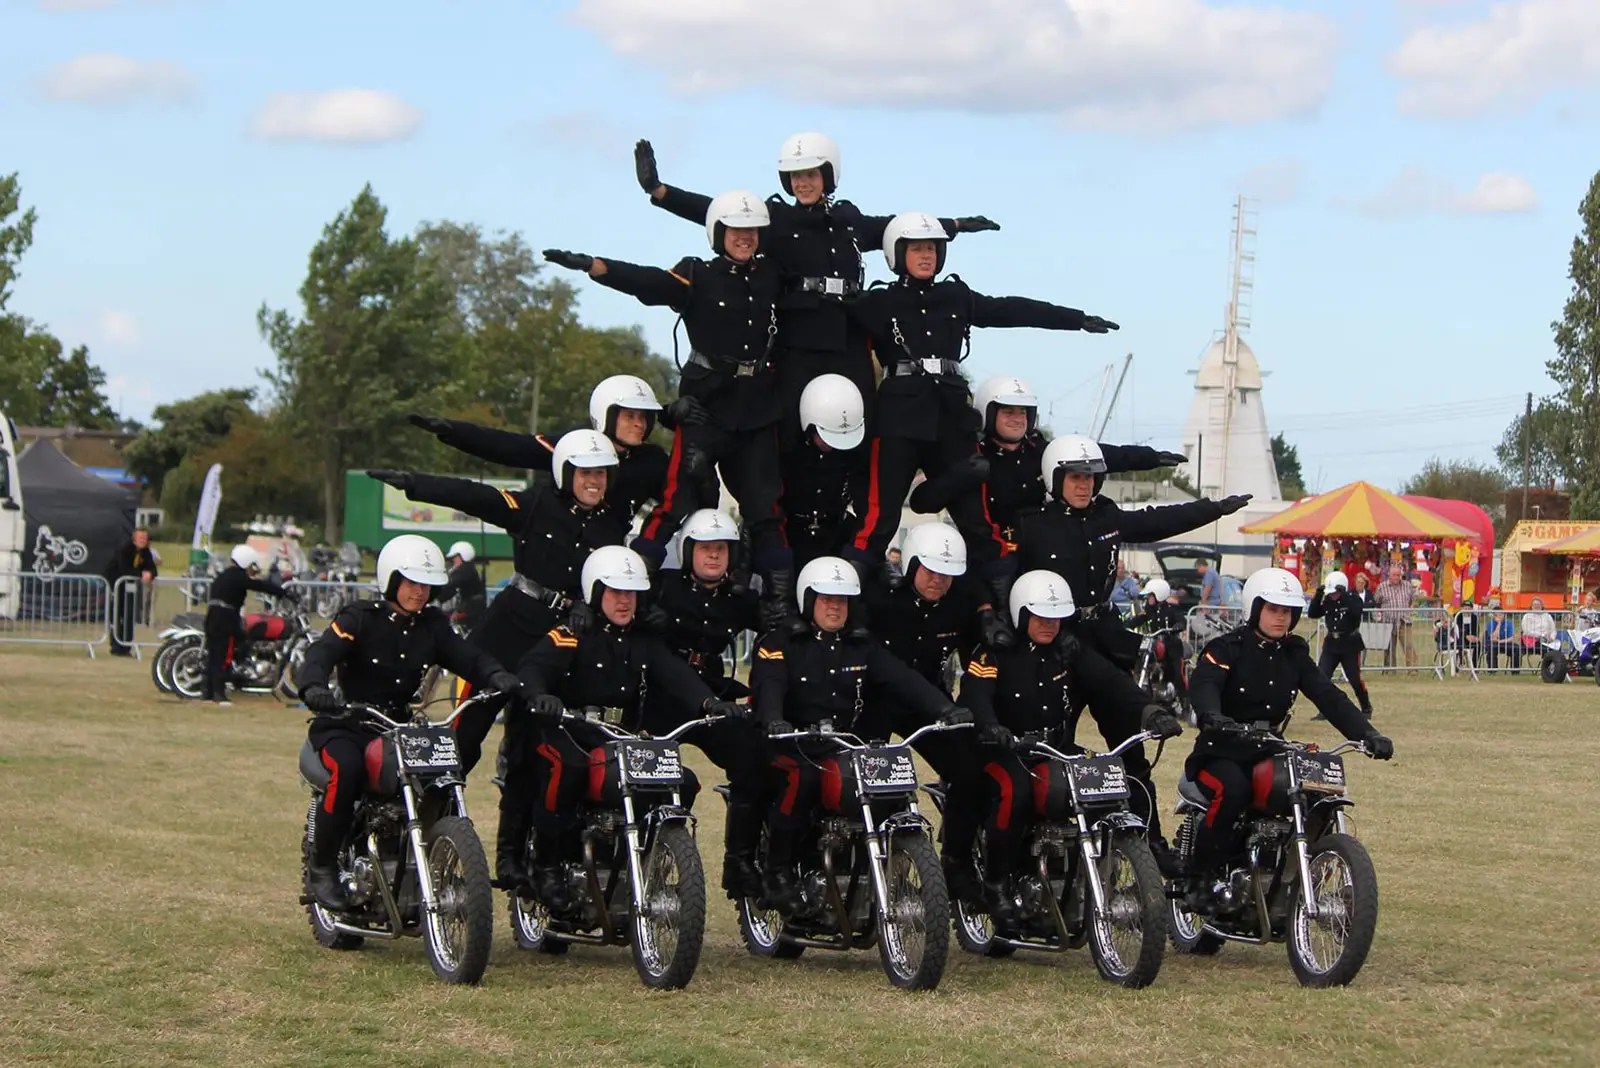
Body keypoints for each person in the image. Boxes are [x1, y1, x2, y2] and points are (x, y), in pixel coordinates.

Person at [366, 429, 629, 890]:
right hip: (507, 629)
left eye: (602, 474)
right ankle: (411, 847)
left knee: (533, 752)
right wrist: (412, 482)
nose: (595, 481)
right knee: (461, 742)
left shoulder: (615, 521)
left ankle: (510, 858)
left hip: (559, 643)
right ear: (566, 473)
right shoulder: (534, 506)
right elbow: (473, 496)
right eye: (586, 472)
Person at [542, 191, 795, 627]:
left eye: (751, 230)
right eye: (735, 230)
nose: (744, 238)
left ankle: (778, 607)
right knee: (674, 501)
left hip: (757, 410)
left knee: (766, 509)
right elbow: (648, 281)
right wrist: (595, 266)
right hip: (706, 407)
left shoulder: (774, 275)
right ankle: (632, 584)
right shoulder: (697, 274)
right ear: (719, 234)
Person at [634, 133, 1000, 433]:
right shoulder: (774, 219)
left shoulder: (849, 220)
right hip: (797, 342)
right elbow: (717, 211)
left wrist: (952, 224)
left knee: (859, 420)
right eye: (795, 177)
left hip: (848, 339)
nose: (802, 183)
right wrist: (660, 191)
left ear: (827, 175)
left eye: (810, 174)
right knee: (793, 426)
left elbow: (896, 227)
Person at [1009, 434, 1251, 849]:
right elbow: (1004, 584)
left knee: (1132, 753)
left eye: (1090, 477)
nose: (1084, 485)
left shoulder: (1108, 517)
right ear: (1055, 478)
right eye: (1075, 477)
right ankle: (1035, 846)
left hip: (1103, 637)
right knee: (1048, 749)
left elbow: (1158, 519)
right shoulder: (1031, 524)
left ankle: (1151, 842)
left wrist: (1213, 509)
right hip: (1050, 644)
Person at [841, 213, 1119, 571]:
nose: (926, 256)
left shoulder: (955, 296)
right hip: (898, 422)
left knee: (980, 524)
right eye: (916, 249)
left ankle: (1000, 608)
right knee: (878, 521)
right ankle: (847, 602)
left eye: (932, 249)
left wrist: (1075, 319)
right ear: (897, 254)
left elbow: (1009, 309)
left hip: (952, 419)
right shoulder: (878, 302)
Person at [295, 535, 520, 910]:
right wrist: (314, 687)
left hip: (396, 726)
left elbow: (467, 656)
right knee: (347, 770)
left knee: (445, 764)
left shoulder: (432, 625)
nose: (419, 592)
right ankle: (322, 869)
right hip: (348, 722)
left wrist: (498, 675)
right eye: (412, 582)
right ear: (392, 579)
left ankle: (428, 853)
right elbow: (320, 654)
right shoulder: (359, 618)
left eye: (426, 584)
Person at [516, 545, 739, 907]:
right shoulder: (571, 633)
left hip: (620, 736)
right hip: (570, 729)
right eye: (616, 592)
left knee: (680, 780)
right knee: (569, 768)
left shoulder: (644, 641)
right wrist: (541, 695)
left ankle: (644, 856)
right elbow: (531, 668)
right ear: (596, 592)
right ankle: (549, 866)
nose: (625, 601)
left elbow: (676, 674)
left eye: (631, 593)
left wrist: (709, 702)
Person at [748, 555, 971, 909]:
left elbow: (904, 679)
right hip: (792, 744)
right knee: (801, 780)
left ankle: (870, 868)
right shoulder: (779, 642)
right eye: (826, 600)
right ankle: (778, 872)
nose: (835, 608)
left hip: (843, 745)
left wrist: (945, 709)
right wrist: (775, 718)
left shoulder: (861, 646)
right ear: (809, 600)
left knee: (888, 787)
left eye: (842, 601)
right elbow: (770, 685)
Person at [962, 570, 1180, 922]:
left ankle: (1082, 872)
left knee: (1106, 783)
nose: (1049, 624)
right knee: (1015, 793)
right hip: (1004, 751)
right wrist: (990, 726)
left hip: (1056, 750)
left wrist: (1149, 710)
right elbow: (975, 694)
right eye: (1040, 616)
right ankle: (996, 882)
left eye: (1056, 616)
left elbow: (1110, 681)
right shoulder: (995, 651)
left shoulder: (1069, 651)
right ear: (1021, 613)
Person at [1182, 567, 1393, 915]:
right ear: (1255, 609)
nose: (1281, 618)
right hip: (1220, 750)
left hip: (1269, 747)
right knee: (1234, 790)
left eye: (1287, 611)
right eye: (1273, 609)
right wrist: (1213, 716)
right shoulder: (1226, 648)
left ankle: (1282, 875)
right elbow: (1204, 687)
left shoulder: (1294, 652)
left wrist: (1367, 734)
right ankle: (1200, 878)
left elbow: (1328, 696)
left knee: (1305, 791)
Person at [907, 374, 1184, 607]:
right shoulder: (970, 455)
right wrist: (963, 475)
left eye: (1023, 412)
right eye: (1008, 411)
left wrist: (1150, 458)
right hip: (983, 561)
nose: (1017, 419)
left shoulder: (1040, 451)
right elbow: (921, 501)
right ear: (989, 413)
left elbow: (1097, 456)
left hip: (1035, 558)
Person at [638, 509, 770, 897]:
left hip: (713, 693)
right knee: (651, 775)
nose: (714, 556)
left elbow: (780, 628)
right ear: (688, 550)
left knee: (755, 758)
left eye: (722, 550)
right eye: (706, 549)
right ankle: (642, 857)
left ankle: (740, 862)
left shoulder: (740, 598)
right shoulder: (659, 586)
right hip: (659, 695)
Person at [858, 523, 992, 900]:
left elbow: (977, 656)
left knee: (969, 770)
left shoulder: (961, 602)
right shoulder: (878, 598)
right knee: (868, 784)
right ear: (911, 564)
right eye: (930, 570)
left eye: (947, 574)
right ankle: (867, 865)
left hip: (932, 700)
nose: (939, 581)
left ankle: (956, 863)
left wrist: (977, 705)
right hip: (874, 701)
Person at [407, 374, 669, 520]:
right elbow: (511, 447)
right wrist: (454, 432)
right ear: (607, 414)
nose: (640, 424)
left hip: (605, 568)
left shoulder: (654, 461)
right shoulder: (573, 445)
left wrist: (680, 419)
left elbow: (679, 501)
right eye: (630, 416)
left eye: (645, 417)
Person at [781, 373, 869, 574]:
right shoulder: (787, 453)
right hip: (791, 537)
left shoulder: (851, 457)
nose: (832, 444)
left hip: (836, 537)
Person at [204, 544, 282, 706]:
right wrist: (283, 592)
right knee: (223, 654)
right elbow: (260, 585)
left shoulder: (225, 575)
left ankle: (208, 692)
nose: (253, 569)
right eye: (251, 564)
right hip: (225, 618)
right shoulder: (237, 576)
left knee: (214, 655)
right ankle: (219, 694)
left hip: (213, 615)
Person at [1307, 571, 1373, 717]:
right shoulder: (1328, 601)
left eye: (1336, 592)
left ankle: (1366, 706)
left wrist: (1345, 596)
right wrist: (1318, 595)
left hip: (1349, 644)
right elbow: (1313, 613)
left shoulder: (1353, 599)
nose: (1333, 595)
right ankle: (1325, 709)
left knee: (1354, 679)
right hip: (1332, 644)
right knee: (1322, 677)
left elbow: (1357, 613)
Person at [1131, 576, 1189, 708]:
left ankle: (1184, 701)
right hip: (1155, 644)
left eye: (1151, 596)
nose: (1148, 599)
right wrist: (1125, 625)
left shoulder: (1171, 609)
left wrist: (1178, 626)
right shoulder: (1149, 610)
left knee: (1177, 671)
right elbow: (1139, 619)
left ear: (1159, 595)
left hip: (1171, 645)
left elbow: (1182, 621)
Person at [105, 526, 158, 656]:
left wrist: (150, 573)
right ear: (134, 539)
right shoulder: (125, 549)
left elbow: (152, 568)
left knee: (129, 615)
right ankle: (116, 646)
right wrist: (141, 574)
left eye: (145, 538)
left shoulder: (145, 551)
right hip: (116, 584)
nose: (143, 540)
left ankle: (126, 646)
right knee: (117, 615)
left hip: (130, 586)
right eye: (140, 538)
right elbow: (124, 568)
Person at [1373, 564, 1414, 668]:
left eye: (1398, 575)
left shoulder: (1407, 586)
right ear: (1389, 575)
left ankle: (1413, 670)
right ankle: (1390, 670)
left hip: (1404, 621)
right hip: (1388, 622)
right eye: (1394, 575)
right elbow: (1377, 602)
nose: (1396, 577)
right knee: (1389, 648)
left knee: (1408, 646)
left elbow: (1410, 600)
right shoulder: (1382, 587)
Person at [443, 541, 486, 634]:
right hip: (468, 612)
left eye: (455, 558)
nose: (453, 561)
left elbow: (450, 583)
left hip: (471, 614)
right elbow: (450, 590)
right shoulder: (467, 571)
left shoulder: (467, 571)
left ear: (463, 556)